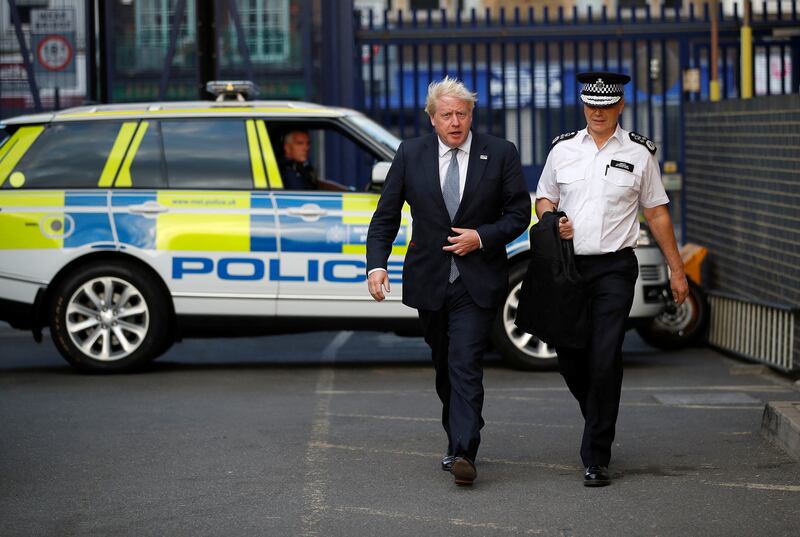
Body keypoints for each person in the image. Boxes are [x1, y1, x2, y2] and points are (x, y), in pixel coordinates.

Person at [366, 77, 531, 486]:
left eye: (462, 114)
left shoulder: (500, 153)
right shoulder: (411, 154)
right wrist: (376, 265)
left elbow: (518, 213)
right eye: (447, 115)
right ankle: (457, 432)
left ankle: (463, 450)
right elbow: (385, 216)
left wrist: (482, 236)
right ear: (432, 119)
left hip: (477, 280)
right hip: (430, 280)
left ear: (471, 115)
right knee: (445, 365)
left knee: (466, 362)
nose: (455, 122)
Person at [534, 72, 689, 487]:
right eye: (590, 106)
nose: (597, 113)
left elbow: (656, 212)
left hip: (615, 269)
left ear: (620, 106)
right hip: (569, 268)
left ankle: (596, 455)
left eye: (605, 107)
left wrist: (677, 269)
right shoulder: (562, 150)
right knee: (570, 359)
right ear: (583, 106)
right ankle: (599, 416)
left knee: (605, 357)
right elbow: (544, 196)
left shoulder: (640, 154)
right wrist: (551, 218)